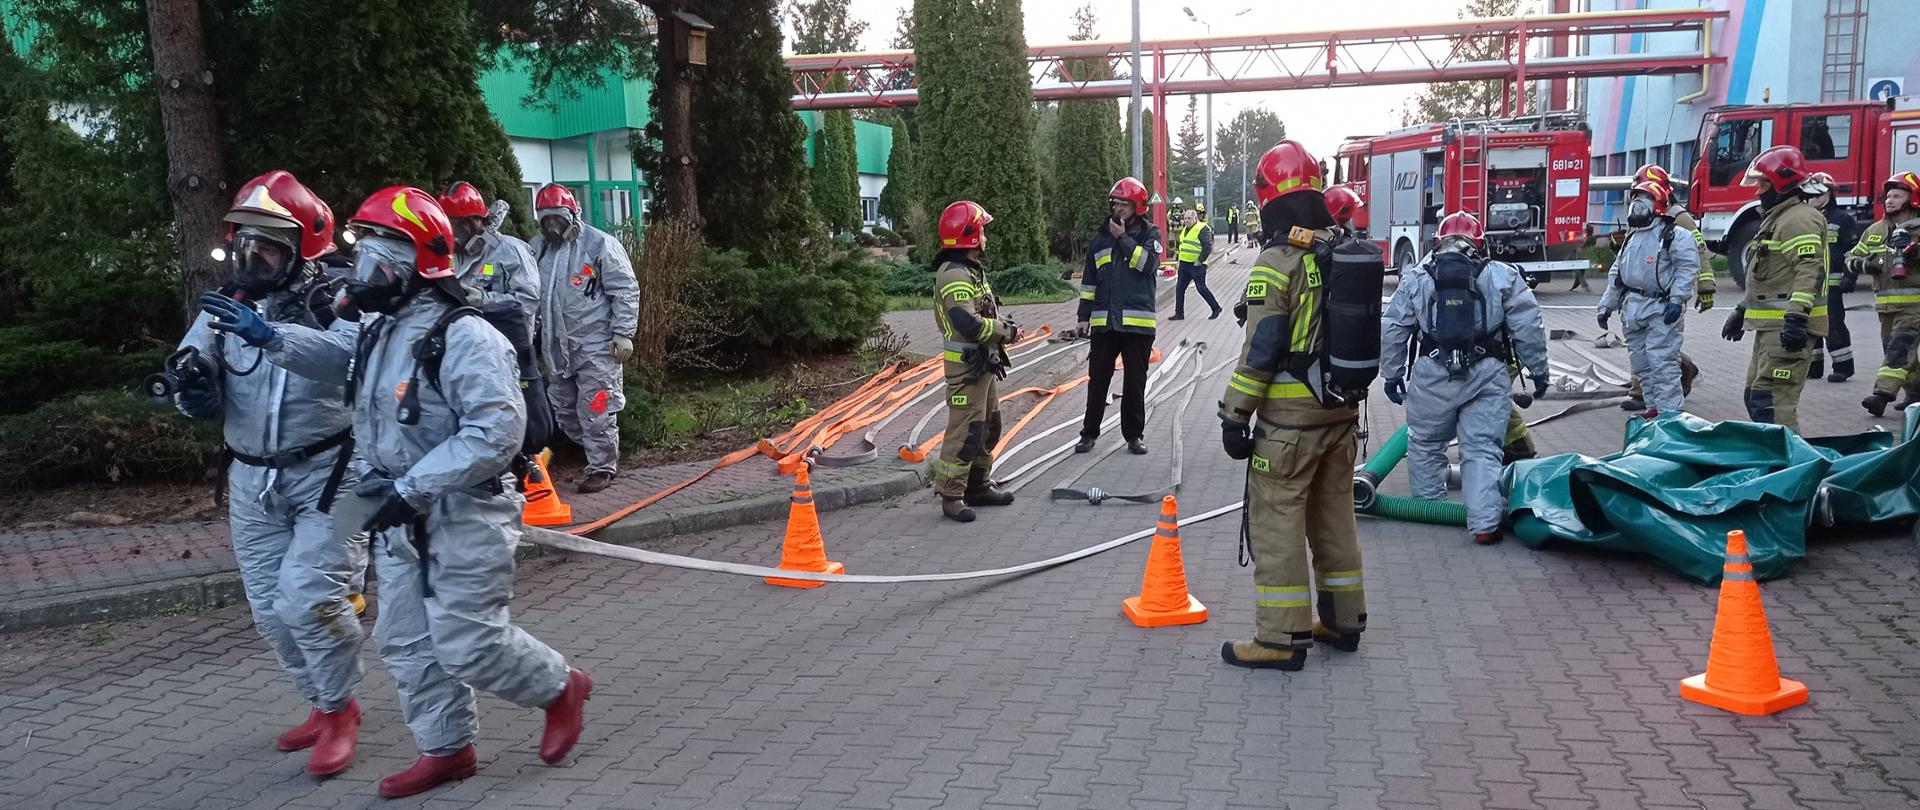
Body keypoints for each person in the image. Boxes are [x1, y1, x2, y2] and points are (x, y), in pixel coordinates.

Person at [207, 186, 594, 798]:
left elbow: (496, 432)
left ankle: (559, 687)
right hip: (394, 506)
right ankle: (449, 749)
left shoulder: (465, 336)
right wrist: (271, 338)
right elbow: (340, 365)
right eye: (362, 260)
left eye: (380, 261)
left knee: (467, 642)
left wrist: (412, 486)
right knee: (405, 640)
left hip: (465, 513)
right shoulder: (381, 330)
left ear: (421, 265)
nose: (364, 275)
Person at [173, 170, 364, 777]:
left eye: (269, 247)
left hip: (337, 475)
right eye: (246, 244)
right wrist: (192, 393)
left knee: (309, 597)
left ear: (304, 247)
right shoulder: (228, 305)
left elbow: (351, 362)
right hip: (252, 481)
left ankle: (340, 711)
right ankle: (323, 699)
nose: (253, 258)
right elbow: (188, 363)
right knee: (267, 610)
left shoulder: (338, 299)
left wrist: (272, 335)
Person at [1217, 139, 1366, 671]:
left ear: (1267, 197)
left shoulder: (1278, 261)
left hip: (1289, 424)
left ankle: (1280, 639)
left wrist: (1235, 414)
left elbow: (1260, 350)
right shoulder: (1338, 247)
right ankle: (1344, 621)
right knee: (1334, 519)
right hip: (1341, 412)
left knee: (1277, 521)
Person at [1382, 211, 1549, 546]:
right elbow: (1528, 327)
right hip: (1487, 373)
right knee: (1483, 450)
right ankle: (1486, 524)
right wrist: (1538, 370)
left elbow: (1394, 328)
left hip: (1432, 373)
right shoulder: (1502, 276)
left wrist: (1392, 374)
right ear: (1479, 242)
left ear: (1438, 242)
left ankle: (1431, 511)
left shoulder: (1416, 277)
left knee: (1426, 445)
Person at [530, 183, 639, 493]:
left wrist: (623, 333)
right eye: (545, 218)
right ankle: (596, 451)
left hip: (596, 346)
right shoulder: (537, 249)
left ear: (572, 214)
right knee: (563, 410)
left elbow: (625, 289)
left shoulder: (599, 244)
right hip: (557, 347)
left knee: (596, 408)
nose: (552, 224)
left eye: (558, 217)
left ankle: (603, 466)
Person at [1721, 146, 1829, 431]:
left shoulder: (1799, 219)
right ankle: (1779, 462)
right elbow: (1768, 275)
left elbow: (1810, 270)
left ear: (1785, 183)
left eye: (1764, 183)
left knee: (1771, 403)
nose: (1758, 190)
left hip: (1787, 327)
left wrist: (1796, 317)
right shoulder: (1779, 218)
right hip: (1771, 327)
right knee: (1757, 398)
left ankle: (1791, 468)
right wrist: (1742, 309)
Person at [928, 201, 1019, 522]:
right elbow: (967, 323)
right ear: (969, 236)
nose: (986, 237)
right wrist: (1004, 330)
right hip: (966, 368)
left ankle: (977, 486)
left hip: (982, 364)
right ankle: (952, 495)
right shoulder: (953, 275)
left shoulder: (970, 271)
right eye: (982, 231)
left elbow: (982, 312)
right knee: (966, 431)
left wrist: (1000, 325)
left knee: (989, 427)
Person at [1597, 176, 1700, 418]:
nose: (1638, 206)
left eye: (1645, 200)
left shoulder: (1675, 235)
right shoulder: (1633, 237)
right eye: (1636, 200)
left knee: (1663, 364)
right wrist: (1606, 305)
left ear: (1658, 203)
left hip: (1660, 308)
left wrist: (1677, 300)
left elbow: (1687, 269)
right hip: (1633, 307)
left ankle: (1670, 416)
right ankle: (1654, 408)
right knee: (1642, 366)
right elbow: (1618, 272)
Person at [1076, 177, 1163, 456]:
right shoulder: (1101, 236)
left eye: (1123, 203)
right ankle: (1088, 434)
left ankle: (1134, 436)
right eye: (1115, 203)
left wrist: (1122, 238)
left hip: (1137, 325)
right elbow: (1089, 280)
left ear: (1137, 205)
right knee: (1098, 380)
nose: (1118, 208)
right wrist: (1082, 316)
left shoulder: (1151, 234)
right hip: (1104, 323)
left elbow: (1147, 265)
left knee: (1135, 382)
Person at [1848, 171, 1920, 416]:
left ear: (1912, 199)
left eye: (1897, 196)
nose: (1889, 200)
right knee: (1901, 354)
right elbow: (1851, 257)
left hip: (1914, 307)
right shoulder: (1875, 230)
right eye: (1888, 196)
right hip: (1885, 307)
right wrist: (1866, 265)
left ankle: (1881, 396)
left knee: (1898, 350)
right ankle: (1917, 392)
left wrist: (1915, 253)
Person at [1802, 174, 1860, 382]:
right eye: (1811, 193)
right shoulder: (1804, 219)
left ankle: (1843, 367)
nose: (1814, 197)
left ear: (1829, 193)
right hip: (1808, 284)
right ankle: (1813, 367)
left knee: (1834, 324)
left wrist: (1850, 277)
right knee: (1809, 323)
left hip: (1832, 284)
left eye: (1819, 192)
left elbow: (1854, 250)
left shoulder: (1841, 219)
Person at [1171, 205, 1222, 321]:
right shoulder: (1184, 229)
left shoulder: (1203, 228)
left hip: (1197, 264)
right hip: (1184, 264)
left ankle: (1216, 308)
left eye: (1189, 218)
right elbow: (1182, 245)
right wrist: (1178, 259)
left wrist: (1199, 260)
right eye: (1185, 218)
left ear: (1195, 218)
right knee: (1179, 288)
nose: (1186, 220)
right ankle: (1179, 313)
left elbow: (1207, 247)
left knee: (1201, 288)